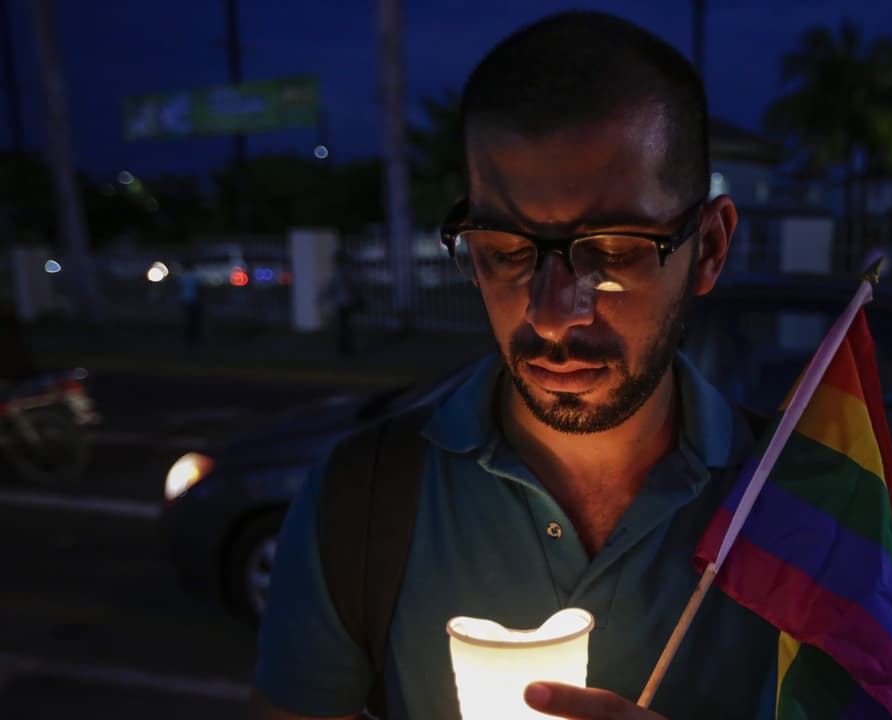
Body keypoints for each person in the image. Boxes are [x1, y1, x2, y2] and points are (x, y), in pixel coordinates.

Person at [250, 12, 778, 720]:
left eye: (612, 251)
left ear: (708, 247)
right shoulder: (364, 503)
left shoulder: (808, 509)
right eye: (503, 251)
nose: (553, 315)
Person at [320, 249, 363, 356]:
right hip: (348, 303)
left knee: (344, 327)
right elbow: (353, 287)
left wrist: (322, 298)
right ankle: (347, 348)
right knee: (346, 327)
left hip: (343, 304)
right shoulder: (347, 272)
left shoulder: (340, 273)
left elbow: (332, 288)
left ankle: (345, 349)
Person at [177, 256, 203, 348]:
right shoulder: (194, 275)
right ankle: (192, 338)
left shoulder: (183, 276)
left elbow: (179, 288)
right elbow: (199, 288)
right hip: (193, 300)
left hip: (186, 300)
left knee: (187, 319)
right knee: (193, 320)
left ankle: (188, 338)